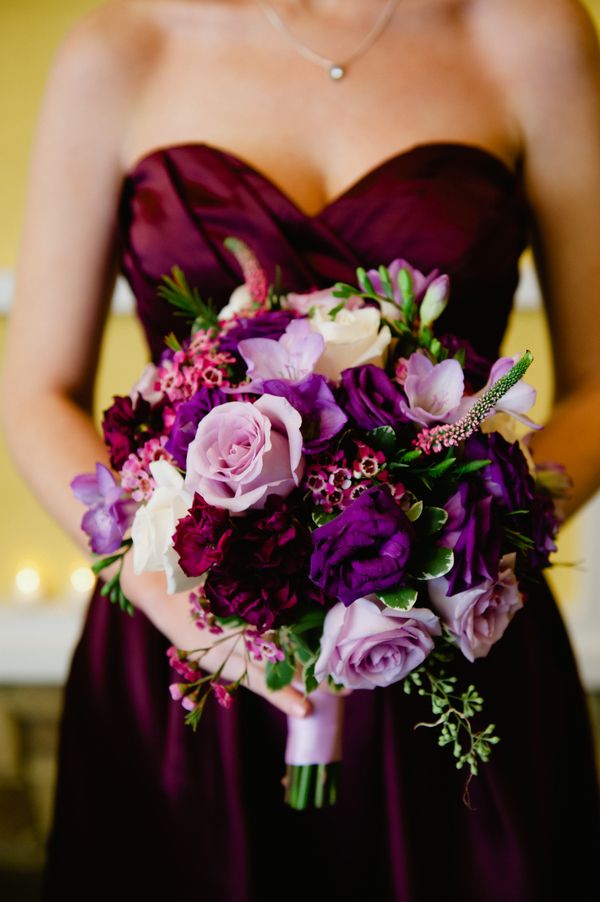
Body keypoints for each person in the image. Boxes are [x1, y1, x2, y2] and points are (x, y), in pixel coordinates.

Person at [2, 0, 600, 898]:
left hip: (458, 645)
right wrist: (186, 613)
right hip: (193, 646)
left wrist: (461, 541)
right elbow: (33, 393)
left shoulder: (529, 32)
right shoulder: (123, 44)